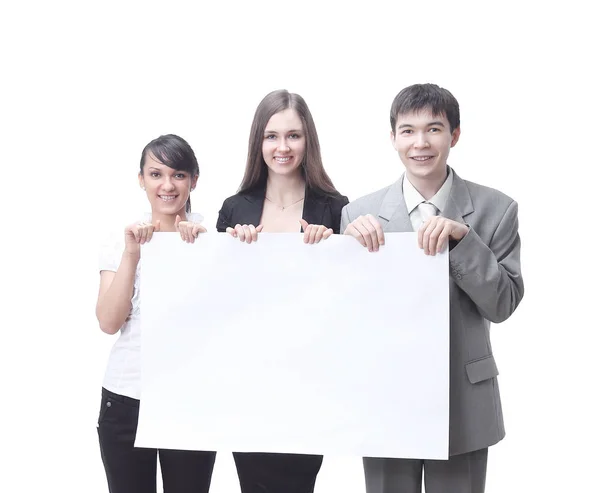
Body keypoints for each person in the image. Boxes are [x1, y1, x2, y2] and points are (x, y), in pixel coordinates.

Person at [341, 83, 524, 493]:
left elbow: (503, 304)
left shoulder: (497, 209)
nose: (419, 143)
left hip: (463, 401)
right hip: (386, 399)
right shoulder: (358, 213)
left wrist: (464, 242)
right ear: (393, 138)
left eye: (434, 129)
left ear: (454, 135)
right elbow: (345, 319)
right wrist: (347, 258)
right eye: (407, 131)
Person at [217, 89, 349, 493]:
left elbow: (352, 301)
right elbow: (214, 299)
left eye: (293, 135)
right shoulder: (235, 207)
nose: (282, 147)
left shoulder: (334, 206)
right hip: (248, 381)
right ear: (258, 142)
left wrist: (333, 249)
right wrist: (229, 248)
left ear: (308, 140)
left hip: (309, 383)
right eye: (271, 136)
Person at [96, 134, 216, 493]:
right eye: (156, 174)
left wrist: (199, 253)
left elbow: (221, 323)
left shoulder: (213, 238)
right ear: (141, 179)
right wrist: (133, 253)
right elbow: (108, 321)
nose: (167, 185)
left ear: (194, 180)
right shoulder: (122, 240)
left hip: (188, 398)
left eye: (179, 175)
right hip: (126, 397)